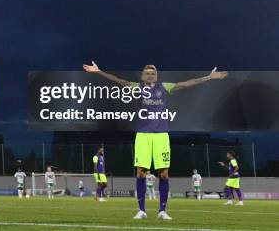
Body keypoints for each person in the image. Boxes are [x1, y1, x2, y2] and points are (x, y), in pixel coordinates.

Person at [83, 62, 228, 220]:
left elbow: (186, 84)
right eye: (147, 72)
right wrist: (99, 71)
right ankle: (141, 210)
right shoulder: (137, 87)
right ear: (142, 76)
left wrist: (208, 77)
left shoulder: (165, 87)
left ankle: (162, 211)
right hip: (143, 136)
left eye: (153, 73)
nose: (150, 74)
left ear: (156, 76)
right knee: (140, 173)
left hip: (161, 136)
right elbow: (118, 81)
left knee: (164, 174)